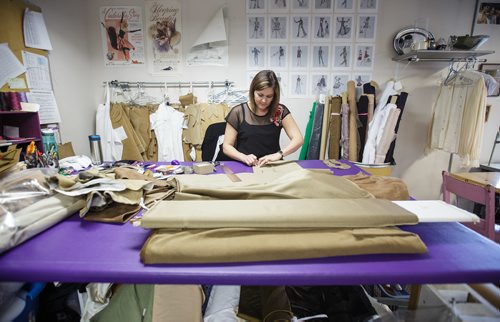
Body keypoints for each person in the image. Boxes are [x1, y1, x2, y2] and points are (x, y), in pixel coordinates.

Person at [223, 70, 303, 166]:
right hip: (246, 165)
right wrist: (244, 157)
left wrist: (278, 154)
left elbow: (298, 139)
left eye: (269, 96)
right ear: (253, 92)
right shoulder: (238, 112)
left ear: (274, 96)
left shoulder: (280, 111)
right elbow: (226, 146)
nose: (264, 100)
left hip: (272, 165)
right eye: (260, 95)